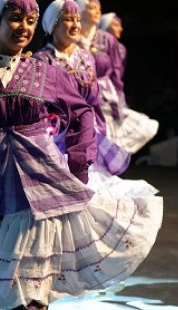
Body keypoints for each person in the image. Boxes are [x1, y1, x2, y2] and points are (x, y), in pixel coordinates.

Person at [0, 0, 163, 309]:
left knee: (30, 288)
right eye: (16, 18)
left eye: (31, 20)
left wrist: (77, 166)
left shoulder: (43, 72)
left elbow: (82, 114)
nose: (24, 26)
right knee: (9, 277)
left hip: (44, 188)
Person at [35, 0, 157, 197]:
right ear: (53, 25)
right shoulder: (42, 59)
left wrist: (97, 123)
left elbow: (93, 96)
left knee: (92, 189)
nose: (75, 25)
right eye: (68, 19)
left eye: (77, 19)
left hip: (87, 131)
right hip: (56, 135)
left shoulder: (85, 57)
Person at [76, 0, 158, 154]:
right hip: (79, 95)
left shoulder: (107, 40)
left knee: (108, 135)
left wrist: (120, 102)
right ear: (80, 11)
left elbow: (116, 74)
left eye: (99, 9)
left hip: (105, 96)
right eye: (93, 8)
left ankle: (105, 169)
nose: (98, 12)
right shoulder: (72, 36)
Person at [98, 12, 125, 78]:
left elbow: (118, 71)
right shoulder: (93, 44)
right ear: (105, 26)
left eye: (120, 26)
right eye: (116, 25)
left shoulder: (121, 48)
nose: (121, 29)